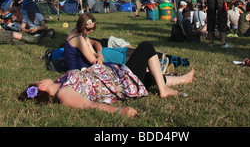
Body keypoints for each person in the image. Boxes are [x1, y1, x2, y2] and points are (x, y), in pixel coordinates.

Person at [19, 41, 195, 118]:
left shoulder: (61, 81)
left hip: (116, 76)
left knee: (149, 78)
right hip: (121, 82)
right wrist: (120, 111)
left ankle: (182, 79)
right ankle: (163, 91)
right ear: (40, 87)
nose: (40, 78)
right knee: (146, 47)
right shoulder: (63, 93)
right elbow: (89, 105)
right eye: (37, 81)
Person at [64, 13, 131, 70]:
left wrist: (99, 55)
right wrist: (100, 59)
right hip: (81, 68)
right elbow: (93, 62)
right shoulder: (79, 39)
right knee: (119, 68)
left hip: (86, 63)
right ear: (82, 26)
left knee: (118, 66)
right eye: (89, 29)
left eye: (93, 28)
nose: (91, 31)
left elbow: (93, 52)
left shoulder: (81, 33)